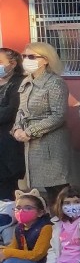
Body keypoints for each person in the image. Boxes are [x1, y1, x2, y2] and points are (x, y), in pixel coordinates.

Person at [13, 42, 72, 201]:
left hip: (50, 143)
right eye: (24, 56)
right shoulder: (26, 81)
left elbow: (58, 115)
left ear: (46, 60)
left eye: (32, 56)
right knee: (40, 189)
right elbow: (21, 110)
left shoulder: (55, 82)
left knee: (56, 188)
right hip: (30, 144)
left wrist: (30, 131)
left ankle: (63, 215)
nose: (27, 59)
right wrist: (17, 128)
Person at [0, 190, 53, 263]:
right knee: (4, 261)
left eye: (28, 208)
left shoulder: (46, 228)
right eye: (18, 208)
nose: (22, 211)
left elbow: (36, 255)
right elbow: (13, 247)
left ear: (40, 212)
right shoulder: (19, 227)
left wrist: (6, 253)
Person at [0, 49, 26, 196]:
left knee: (7, 188)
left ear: (13, 63)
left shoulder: (19, 82)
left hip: (8, 144)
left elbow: (12, 110)